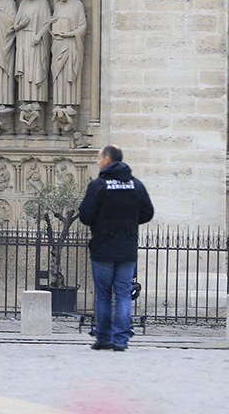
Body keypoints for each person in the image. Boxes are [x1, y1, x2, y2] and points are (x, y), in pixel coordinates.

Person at [79, 145, 154, 351]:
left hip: (103, 247)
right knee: (122, 295)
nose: (97, 162)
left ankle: (103, 338)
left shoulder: (99, 185)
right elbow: (148, 212)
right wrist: (129, 222)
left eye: (99, 158)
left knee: (103, 295)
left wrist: (102, 223)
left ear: (107, 159)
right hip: (127, 248)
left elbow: (85, 216)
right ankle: (121, 340)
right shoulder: (135, 185)